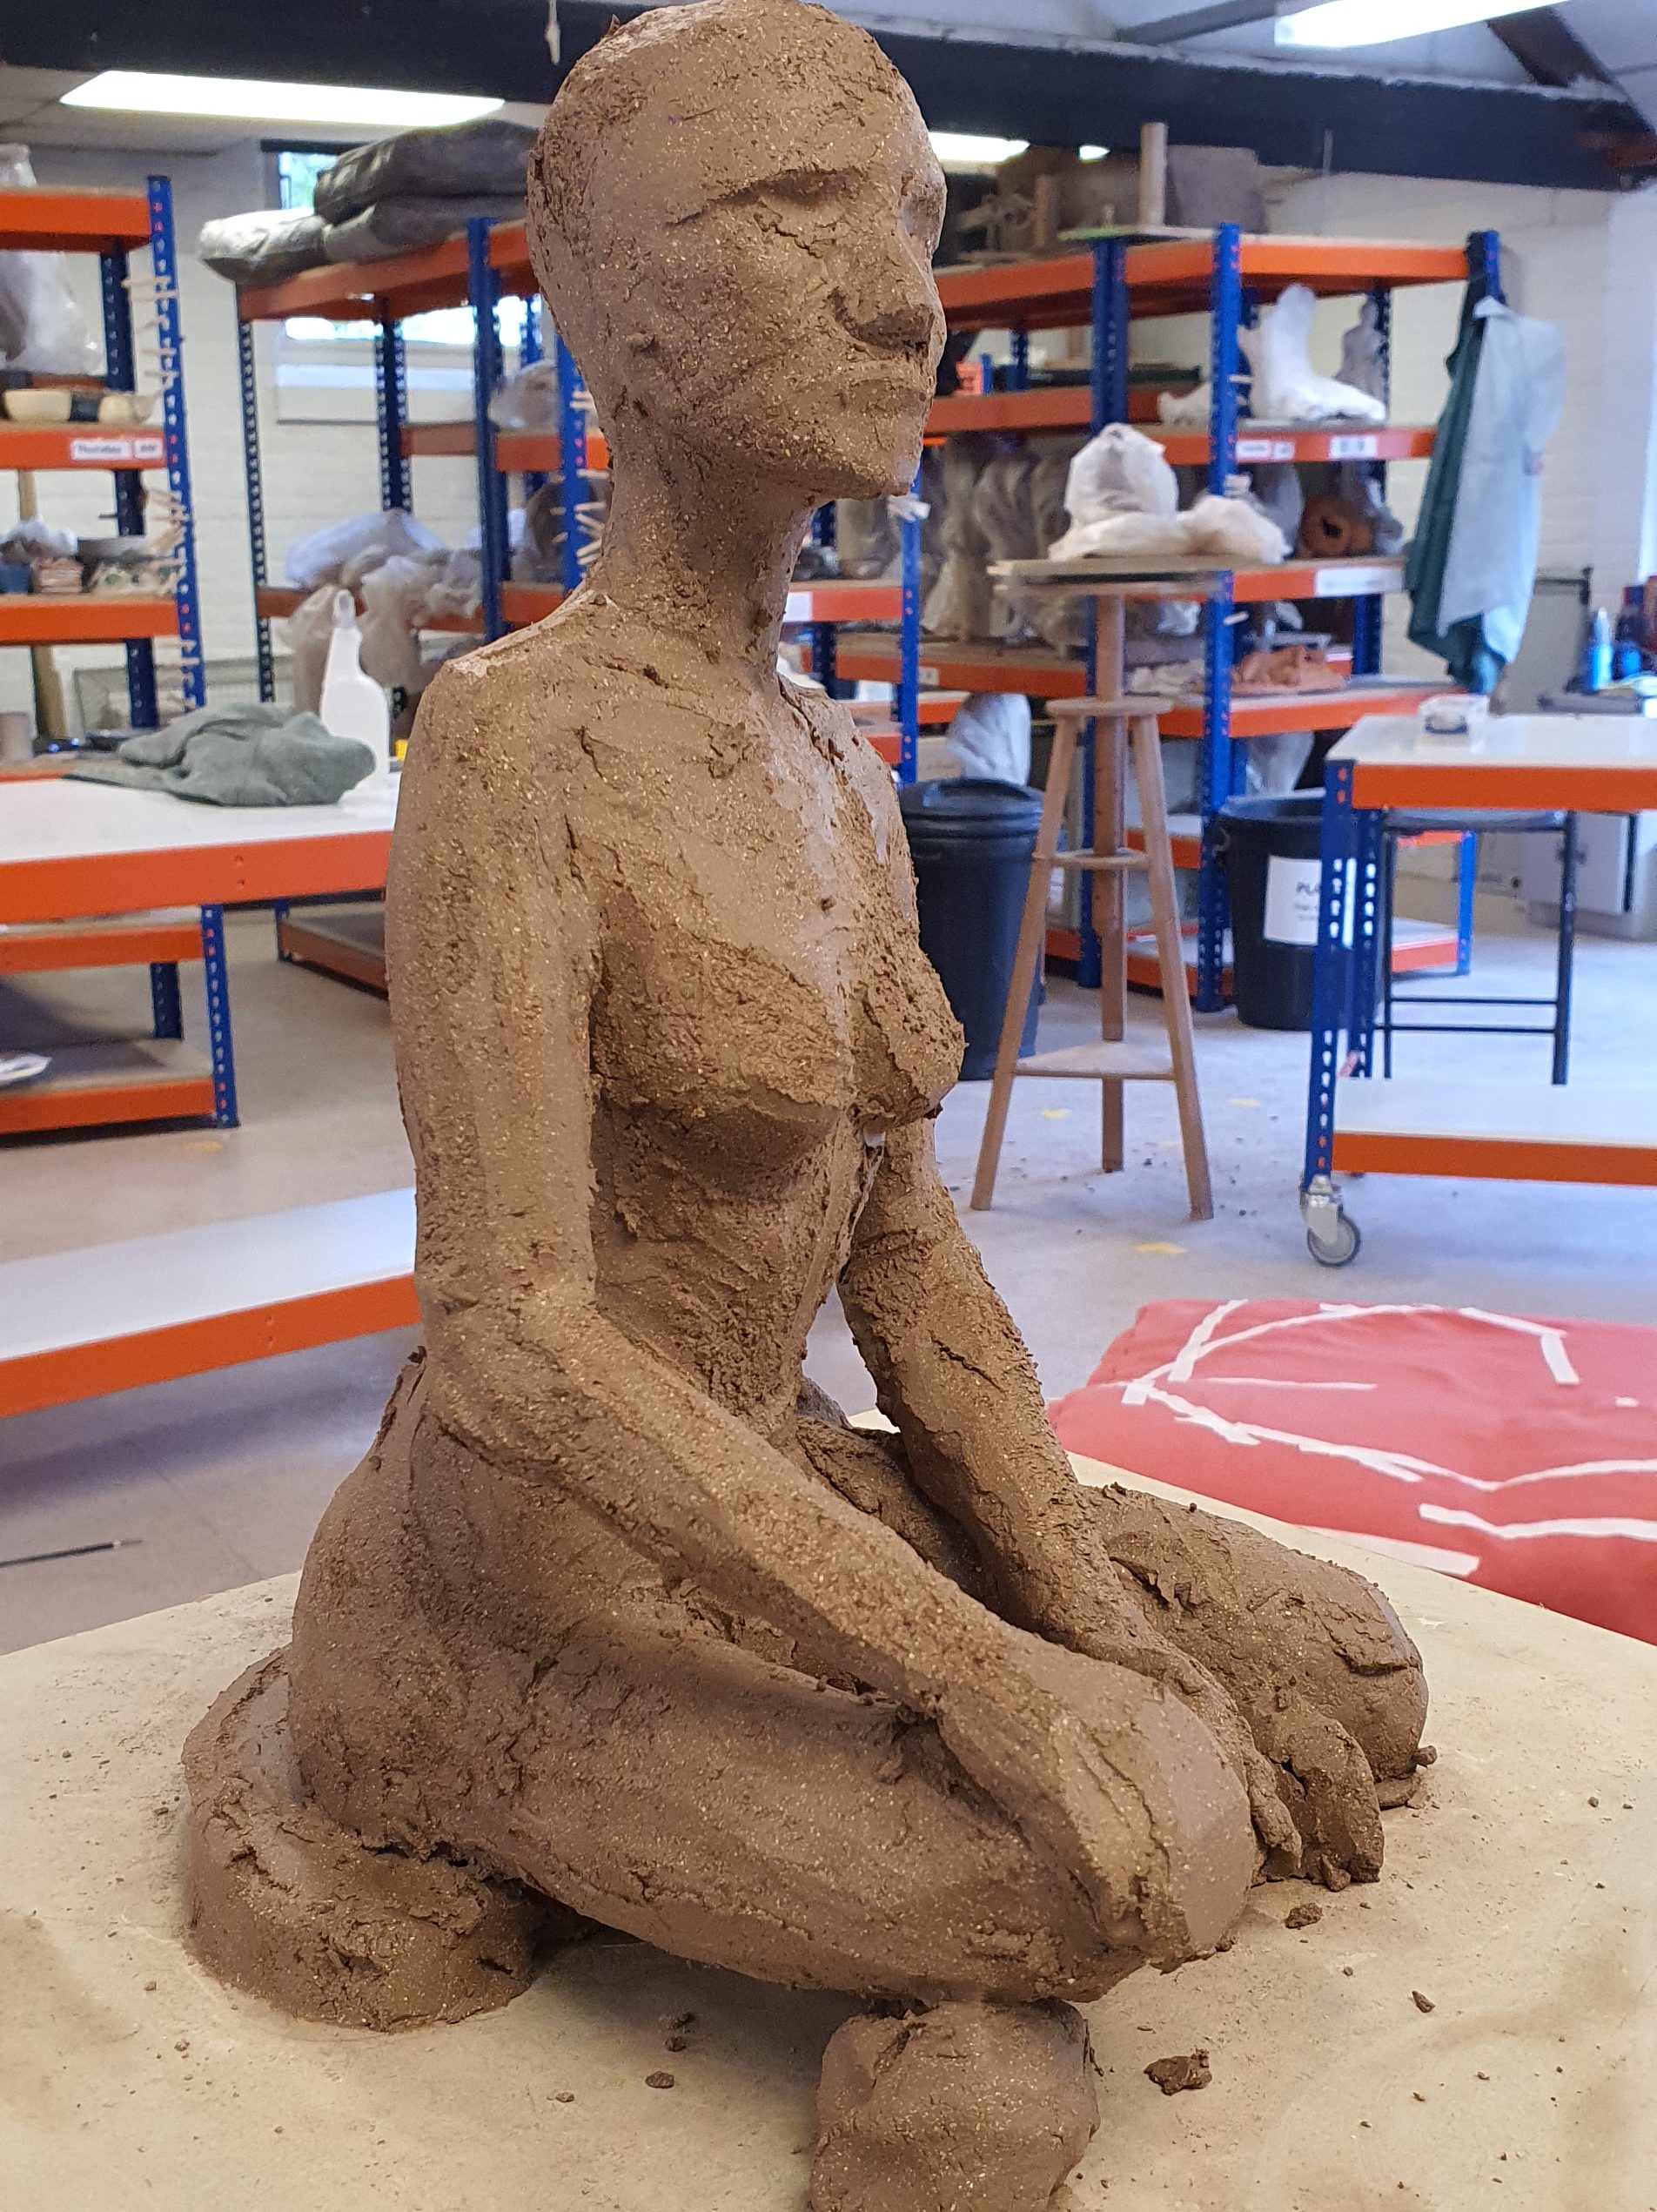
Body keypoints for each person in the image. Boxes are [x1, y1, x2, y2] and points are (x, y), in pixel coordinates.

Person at [189, 7, 1426, 2202]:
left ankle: (951, 1895)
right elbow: (510, 1336)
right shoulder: (517, 741)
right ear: (598, 289)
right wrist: (986, 1678)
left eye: (918, 221)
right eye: (788, 213)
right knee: (1096, 1854)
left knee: (1348, 1673)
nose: (901, 295)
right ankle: (392, 1751)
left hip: (772, 1483)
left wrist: (1094, 1615)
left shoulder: (834, 763)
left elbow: (904, 1251)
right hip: (530, 1578)